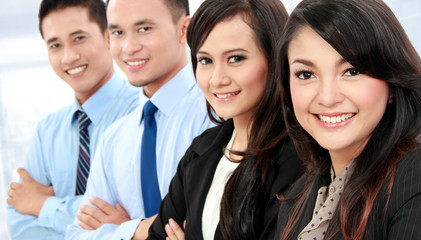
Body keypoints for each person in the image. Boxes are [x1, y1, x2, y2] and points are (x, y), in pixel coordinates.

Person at [147, 0, 303, 239]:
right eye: (206, 61)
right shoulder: (201, 151)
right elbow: (157, 234)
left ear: (274, 57)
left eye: (236, 58)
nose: (217, 79)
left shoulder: (300, 160)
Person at [65, 0, 213, 239]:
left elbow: (208, 222)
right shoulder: (114, 138)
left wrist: (123, 229)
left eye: (144, 29)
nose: (128, 47)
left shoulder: (214, 112)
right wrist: (137, 229)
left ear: (184, 30)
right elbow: (77, 235)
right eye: (117, 32)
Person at [275, 0, 421, 239]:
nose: (328, 97)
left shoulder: (413, 181)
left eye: (352, 71)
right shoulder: (298, 196)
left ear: (392, 80)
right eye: (306, 74)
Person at [6, 0, 139, 239]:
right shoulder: (47, 130)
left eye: (79, 38)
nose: (69, 57)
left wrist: (43, 205)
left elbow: (134, 212)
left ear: (108, 38)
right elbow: (20, 223)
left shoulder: (139, 113)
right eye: (55, 45)